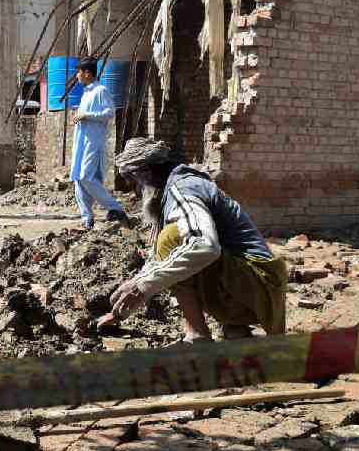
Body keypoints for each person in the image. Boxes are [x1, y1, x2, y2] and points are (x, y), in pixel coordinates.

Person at [106, 138, 288, 342]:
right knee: (169, 249)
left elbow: (205, 245)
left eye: (132, 181)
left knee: (171, 239)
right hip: (259, 284)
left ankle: (197, 334)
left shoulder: (183, 188)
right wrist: (133, 289)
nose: (133, 190)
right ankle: (235, 327)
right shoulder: (177, 189)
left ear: (145, 173)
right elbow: (159, 261)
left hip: (259, 284)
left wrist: (142, 286)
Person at [70, 57, 129, 230]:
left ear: (87, 73)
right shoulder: (86, 93)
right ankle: (86, 218)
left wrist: (87, 115)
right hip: (81, 141)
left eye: (79, 72)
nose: (77, 76)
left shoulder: (101, 90)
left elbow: (109, 112)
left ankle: (115, 208)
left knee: (85, 177)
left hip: (93, 141)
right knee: (78, 179)